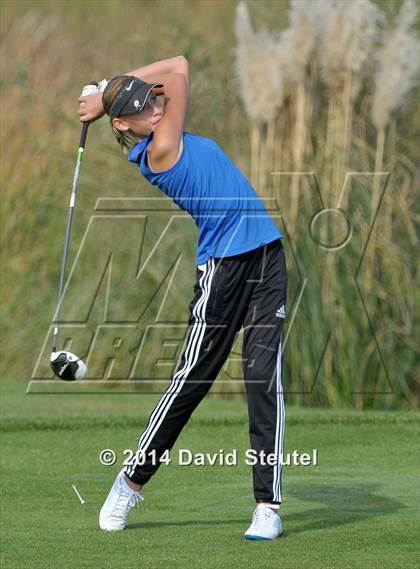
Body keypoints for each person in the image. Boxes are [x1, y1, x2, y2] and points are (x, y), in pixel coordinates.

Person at [78, 55, 287, 541]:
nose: (153, 105)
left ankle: (267, 506)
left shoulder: (153, 120)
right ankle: (128, 483)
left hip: (267, 255)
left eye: (151, 99)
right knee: (191, 382)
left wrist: (109, 86)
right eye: (139, 106)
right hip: (224, 270)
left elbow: (178, 66)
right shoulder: (161, 150)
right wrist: (113, 90)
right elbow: (177, 71)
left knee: (263, 380)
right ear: (124, 125)